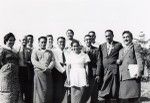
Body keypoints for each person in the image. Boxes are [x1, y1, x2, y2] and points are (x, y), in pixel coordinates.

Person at [117, 31, 144, 103]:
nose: (125, 39)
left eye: (127, 37)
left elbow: (139, 59)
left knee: (134, 99)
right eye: (124, 37)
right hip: (123, 78)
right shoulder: (121, 51)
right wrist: (118, 61)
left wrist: (139, 72)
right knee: (123, 99)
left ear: (131, 38)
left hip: (133, 77)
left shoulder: (135, 46)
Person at [97, 30, 123, 103]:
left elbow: (122, 55)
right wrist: (98, 73)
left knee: (114, 90)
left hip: (114, 70)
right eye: (106, 36)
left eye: (109, 35)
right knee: (104, 91)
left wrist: (119, 60)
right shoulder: (101, 46)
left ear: (112, 35)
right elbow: (99, 60)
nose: (107, 37)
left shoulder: (118, 45)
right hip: (104, 71)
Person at [31, 36, 54, 103]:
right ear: (38, 43)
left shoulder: (50, 52)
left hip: (48, 74)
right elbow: (34, 61)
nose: (43, 44)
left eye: (45, 42)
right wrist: (44, 68)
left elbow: (53, 61)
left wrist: (49, 68)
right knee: (39, 93)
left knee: (47, 92)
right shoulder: (35, 51)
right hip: (39, 74)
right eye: (42, 42)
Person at [0, 32, 20, 103]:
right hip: (6, 77)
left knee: (14, 96)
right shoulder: (3, 49)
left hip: (15, 77)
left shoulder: (15, 51)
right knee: (7, 97)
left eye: (13, 40)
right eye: (10, 40)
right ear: (6, 41)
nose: (12, 42)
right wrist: (5, 68)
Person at [82, 34, 99, 103]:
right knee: (84, 91)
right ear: (84, 40)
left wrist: (97, 73)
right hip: (82, 72)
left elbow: (98, 62)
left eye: (89, 39)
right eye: (86, 39)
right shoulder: (80, 49)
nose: (88, 41)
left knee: (93, 91)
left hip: (93, 72)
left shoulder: (96, 49)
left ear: (92, 40)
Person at [52, 36, 69, 103]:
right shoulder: (54, 51)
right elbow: (56, 63)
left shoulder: (67, 51)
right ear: (57, 43)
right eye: (60, 42)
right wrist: (63, 71)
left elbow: (68, 62)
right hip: (57, 72)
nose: (62, 43)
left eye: (63, 42)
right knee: (57, 91)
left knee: (65, 90)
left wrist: (67, 71)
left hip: (66, 72)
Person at [18, 35, 33, 103]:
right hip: (19, 71)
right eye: (23, 40)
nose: (24, 41)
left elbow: (32, 61)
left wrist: (28, 62)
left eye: (25, 40)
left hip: (27, 71)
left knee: (28, 89)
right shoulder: (16, 50)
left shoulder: (30, 50)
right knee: (20, 89)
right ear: (20, 41)